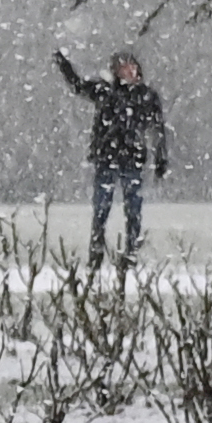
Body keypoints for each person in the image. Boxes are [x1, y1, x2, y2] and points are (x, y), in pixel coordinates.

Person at [55, 49, 171, 268]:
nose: (128, 70)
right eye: (122, 67)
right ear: (116, 71)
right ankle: (97, 250)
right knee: (101, 208)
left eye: (130, 65)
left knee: (133, 209)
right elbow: (77, 85)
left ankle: (131, 252)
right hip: (108, 158)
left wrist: (161, 156)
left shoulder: (145, 95)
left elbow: (158, 128)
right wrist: (64, 65)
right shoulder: (106, 91)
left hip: (131, 159)